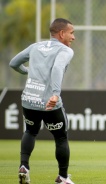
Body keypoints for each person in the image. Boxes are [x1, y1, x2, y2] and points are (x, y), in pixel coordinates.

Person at [9, 18, 76, 184]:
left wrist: (26, 72)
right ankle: (62, 177)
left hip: (29, 99)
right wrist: (55, 93)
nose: (73, 37)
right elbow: (58, 68)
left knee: (30, 132)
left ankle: (24, 167)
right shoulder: (65, 50)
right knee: (60, 138)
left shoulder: (35, 46)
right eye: (71, 33)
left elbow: (14, 63)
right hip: (49, 102)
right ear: (62, 33)